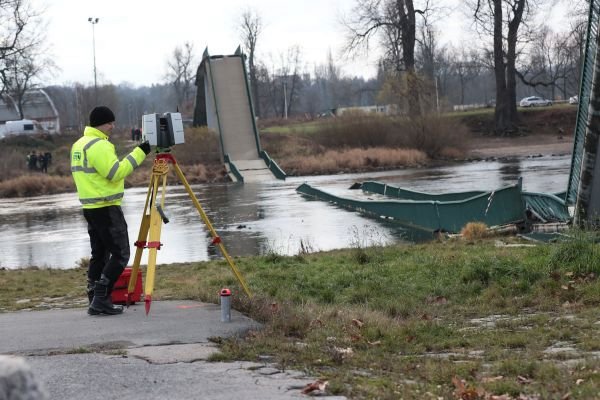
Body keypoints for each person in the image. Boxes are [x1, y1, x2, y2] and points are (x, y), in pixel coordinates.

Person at [71, 106, 151, 316]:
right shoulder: (99, 145)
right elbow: (116, 173)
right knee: (120, 253)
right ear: (102, 123)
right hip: (106, 207)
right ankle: (101, 298)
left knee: (99, 254)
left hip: (90, 207)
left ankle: (94, 299)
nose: (113, 127)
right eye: (110, 123)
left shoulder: (79, 144)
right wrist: (141, 151)